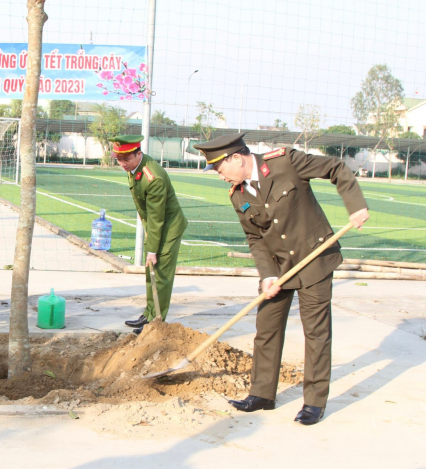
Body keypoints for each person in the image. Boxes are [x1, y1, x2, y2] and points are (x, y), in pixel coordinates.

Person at [193, 132, 369, 425]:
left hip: (315, 259)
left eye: (220, 169)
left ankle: (314, 401)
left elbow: (336, 168)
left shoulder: (286, 162)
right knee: (267, 328)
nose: (220, 176)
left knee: (316, 333)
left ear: (236, 158)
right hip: (279, 269)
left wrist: (356, 205)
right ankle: (262, 394)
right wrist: (267, 275)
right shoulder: (238, 195)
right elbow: (255, 239)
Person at [109, 135, 188, 334]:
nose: (122, 164)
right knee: (150, 271)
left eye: (126, 159)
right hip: (154, 225)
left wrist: (152, 249)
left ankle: (156, 323)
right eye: (119, 159)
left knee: (160, 274)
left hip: (167, 227)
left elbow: (157, 218)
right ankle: (148, 313)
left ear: (138, 154)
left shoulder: (154, 178)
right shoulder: (135, 167)